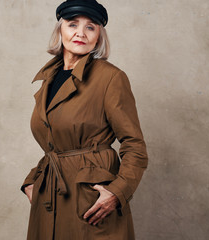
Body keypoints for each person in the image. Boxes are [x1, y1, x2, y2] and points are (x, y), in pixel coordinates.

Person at [20, 0, 148, 239]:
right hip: (50, 200)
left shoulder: (111, 78)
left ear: (99, 36)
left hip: (90, 203)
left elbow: (135, 147)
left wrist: (117, 192)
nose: (80, 32)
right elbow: (53, 142)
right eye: (72, 24)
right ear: (60, 30)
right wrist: (32, 181)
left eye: (90, 27)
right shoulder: (49, 78)